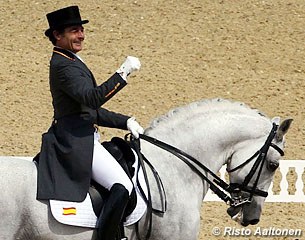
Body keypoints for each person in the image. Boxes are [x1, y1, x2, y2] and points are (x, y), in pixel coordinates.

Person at [36, 5, 144, 240]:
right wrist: (122, 73)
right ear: (57, 35)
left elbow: (88, 111)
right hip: (75, 141)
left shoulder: (72, 60)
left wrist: (126, 122)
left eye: (82, 30)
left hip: (82, 133)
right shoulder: (63, 64)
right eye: (74, 31)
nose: (81, 35)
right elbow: (92, 98)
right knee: (122, 186)